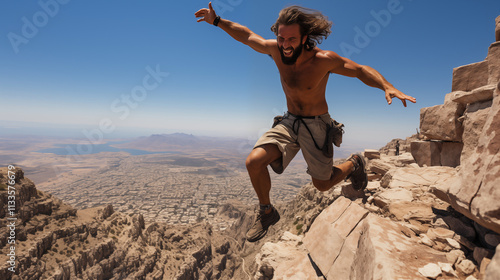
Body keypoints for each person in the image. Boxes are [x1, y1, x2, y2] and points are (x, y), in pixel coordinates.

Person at [195, 3, 416, 242]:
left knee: (322, 184)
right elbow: (248, 36)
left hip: (317, 125)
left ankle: (354, 164)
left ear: (304, 38)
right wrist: (218, 21)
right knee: (254, 162)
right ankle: (267, 212)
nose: (285, 44)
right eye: (281, 38)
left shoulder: (323, 60)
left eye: (291, 39)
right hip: (289, 122)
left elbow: (360, 70)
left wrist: (387, 86)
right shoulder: (275, 50)